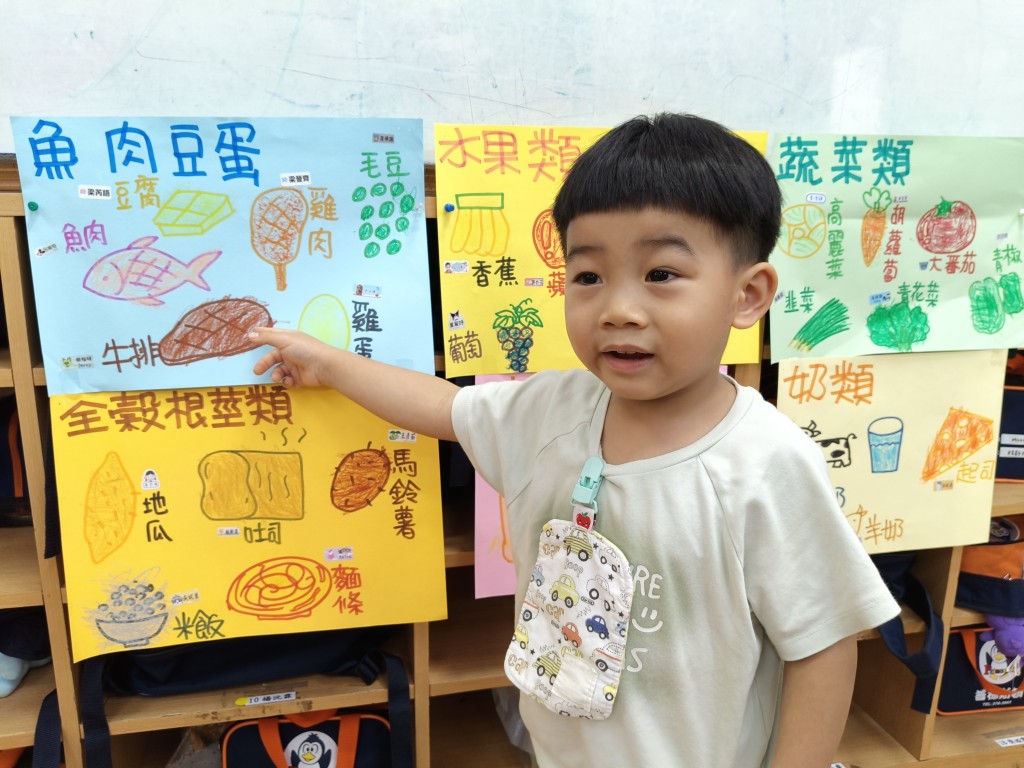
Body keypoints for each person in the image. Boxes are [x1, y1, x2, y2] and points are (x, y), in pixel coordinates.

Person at [250, 113, 900, 768]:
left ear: (747, 295)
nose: (617, 309)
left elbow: (822, 645)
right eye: (588, 277)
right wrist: (330, 364)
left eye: (661, 274)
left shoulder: (765, 463)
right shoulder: (549, 412)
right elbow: (446, 406)